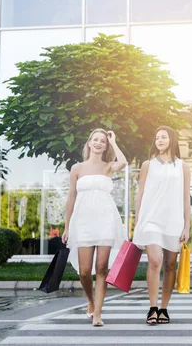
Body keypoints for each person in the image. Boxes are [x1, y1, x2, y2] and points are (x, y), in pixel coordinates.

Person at [62, 129, 127, 327]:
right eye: (95, 140)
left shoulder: (108, 166)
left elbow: (123, 163)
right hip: (83, 222)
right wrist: (66, 227)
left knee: (101, 268)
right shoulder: (77, 169)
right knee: (84, 271)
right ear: (89, 143)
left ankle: (98, 313)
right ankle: (90, 301)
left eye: (103, 141)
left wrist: (114, 141)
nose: (99, 143)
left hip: (105, 219)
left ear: (106, 146)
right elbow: (71, 198)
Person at [133, 126, 191, 325]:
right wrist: (138, 220)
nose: (159, 140)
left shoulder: (182, 166)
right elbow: (140, 193)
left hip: (174, 221)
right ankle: (152, 307)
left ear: (171, 140)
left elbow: (185, 198)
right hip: (151, 220)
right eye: (157, 137)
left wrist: (187, 226)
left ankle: (164, 308)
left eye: (163, 137)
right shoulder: (148, 165)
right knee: (155, 260)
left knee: (169, 265)